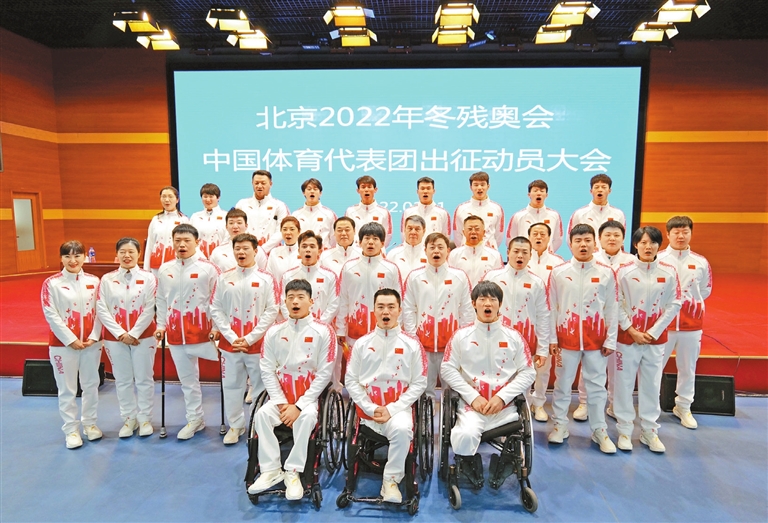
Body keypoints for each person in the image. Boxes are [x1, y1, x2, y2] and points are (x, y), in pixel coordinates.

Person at [248, 279, 336, 499]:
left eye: (300, 297)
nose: (295, 302)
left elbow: (325, 373)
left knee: (306, 418)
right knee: (261, 415)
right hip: (280, 398)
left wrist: (298, 406)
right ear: (284, 302)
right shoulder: (274, 331)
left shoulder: (324, 331)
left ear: (311, 301)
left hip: (307, 400)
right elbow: (267, 369)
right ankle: (271, 470)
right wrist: (281, 403)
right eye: (291, 297)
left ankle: (293, 471)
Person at [440, 281, 536, 466]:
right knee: (465, 436)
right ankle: (467, 464)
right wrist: (472, 396)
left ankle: (507, 460)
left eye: (493, 299)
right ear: (474, 303)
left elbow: (528, 372)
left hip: (505, 408)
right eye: (482, 299)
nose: (487, 304)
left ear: (500, 304)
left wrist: (502, 397)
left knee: (514, 434)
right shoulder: (461, 336)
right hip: (471, 407)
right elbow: (447, 368)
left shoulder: (514, 337)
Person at [345, 288, 427, 504]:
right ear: (373, 310)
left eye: (391, 307)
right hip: (368, 410)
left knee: (402, 430)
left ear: (399, 310)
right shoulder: (361, 344)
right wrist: (370, 408)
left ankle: (390, 481)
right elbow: (351, 380)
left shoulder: (412, 345)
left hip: (398, 410)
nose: (386, 311)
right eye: (380, 307)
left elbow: (419, 382)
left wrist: (392, 409)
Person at [547, 224, 618, 454]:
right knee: (562, 384)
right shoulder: (558, 272)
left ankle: (599, 430)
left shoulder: (606, 273)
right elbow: (551, 307)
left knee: (597, 387)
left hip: (595, 341)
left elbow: (612, 307)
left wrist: (610, 339)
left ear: (595, 243)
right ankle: (560, 425)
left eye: (587, 240)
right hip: (565, 340)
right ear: (570, 244)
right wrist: (552, 338)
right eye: (578, 240)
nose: (583, 244)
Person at [614, 226, 682, 452]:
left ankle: (649, 431)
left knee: (651, 385)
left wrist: (654, 331)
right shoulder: (623, 271)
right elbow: (615, 302)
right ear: (635, 245)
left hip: (655, 340)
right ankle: (624, 430)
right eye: (643, 242)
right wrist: (631, 330)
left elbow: (674, 303)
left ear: (659, 245)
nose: (648, 247)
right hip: (627, 339)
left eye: (652, 243)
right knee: (623, 385)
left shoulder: (669, 272)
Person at [211, 233, 279, 445]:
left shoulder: (266, 279)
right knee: (232, 386)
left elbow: (272, 310)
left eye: (245, 248)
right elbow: (216, 308)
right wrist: (232, 337)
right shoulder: (224, 278)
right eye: (237, 248)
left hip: (258, 346)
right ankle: (236, 426)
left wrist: (250, 338)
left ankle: (258, 426)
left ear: (255, 251)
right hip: (229, 346)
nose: (241, 252)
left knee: (260, 387)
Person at [154, 224, 220, 440]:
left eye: (187, 240)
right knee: (188, 382)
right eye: (177, 240)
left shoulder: (208, 269)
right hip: (175, 335)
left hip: (203, 333)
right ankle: (195, 419)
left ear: (196, 242)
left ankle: (237, 423)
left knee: (227, 382)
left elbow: (217, 300)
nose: (181, 245)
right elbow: (161, 299)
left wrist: (216, 327)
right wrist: (161, 325)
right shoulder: (165, 269)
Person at [41, 240, 103, 449]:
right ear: (61, 258)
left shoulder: (94, 281)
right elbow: (51, 314)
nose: (73, 260)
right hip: (62, 346)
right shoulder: (52, 283)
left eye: (77, 255)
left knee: (91, 385)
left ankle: (90, 424)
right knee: (67, 389)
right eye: (67, 256)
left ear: (85, 257)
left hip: (91, 344)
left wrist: (94, 336)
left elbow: (101, 311)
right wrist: (70, 339)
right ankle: (71, 430)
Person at [482, 237, 550, 421]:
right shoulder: (492, 277)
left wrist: (543, 348)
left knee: (522, 385)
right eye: (516, 251)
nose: (520, 255)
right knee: (496, 381)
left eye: (525, 252)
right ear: (508, 253)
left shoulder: (537, 282)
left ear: (530, 255)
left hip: (525, 343)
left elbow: (544, 316)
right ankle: (494, 420)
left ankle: (520, 421)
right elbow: (479, 309)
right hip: (495, 341)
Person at [573, 219, 635, 421]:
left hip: (624, 324)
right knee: (590, 366)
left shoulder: (631, 261)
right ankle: (584, 402)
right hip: (594, 324)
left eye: (617, 235)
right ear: (599, 239)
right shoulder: (590, 259)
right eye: (607, 235)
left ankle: (614, 404)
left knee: (618, 368)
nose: (612, 239)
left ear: (623, 238)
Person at [96, 238, 157, 438]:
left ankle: (145, 418)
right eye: (122, 252)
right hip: (115, 338)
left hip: (144, 336)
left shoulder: (149, 278)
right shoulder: (107, 279)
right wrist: (121, 334)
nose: (127, 256)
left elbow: (151, 307)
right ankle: (129, 419)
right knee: (122, 380)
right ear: (117, 254)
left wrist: (134, 333)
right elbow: (101, 308)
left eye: (131, 251)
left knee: (144, 378)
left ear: (139, 254)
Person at [402, 232, 473, 398]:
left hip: (451, 345)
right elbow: (408, 308)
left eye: (440, 247)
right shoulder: (415, 277)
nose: (436, 251)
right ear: (425, 250)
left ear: (448, 251)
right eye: (432, 247)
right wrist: (413, 337)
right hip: (423, 343)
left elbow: (467, 310)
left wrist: (463, 338)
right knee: (424, 389)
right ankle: (427, 407)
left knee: (453, 390)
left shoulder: (459, 277)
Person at [658, 216, 713, 430]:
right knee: (654, 367)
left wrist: (689, 306)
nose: (680, 236)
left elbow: (705, 290)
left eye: (685, 232)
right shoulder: (658, 259)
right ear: (668, 234)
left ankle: (683, 406)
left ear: (691, 233)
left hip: (692, 325)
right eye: (676, 232)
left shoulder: (701, 262)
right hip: (663, 325)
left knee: (688, 368)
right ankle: (650, 407)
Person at [337, 222, 402, 347]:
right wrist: (340, 328)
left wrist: (397, 328)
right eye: (367, 238)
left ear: (382, 243)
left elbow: (399, 301)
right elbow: (343, 299)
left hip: (384, 330)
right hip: (355, 332)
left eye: (375, 239)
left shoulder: (391, 269)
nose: (370, 242)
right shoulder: (348, 268)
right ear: (360, 242)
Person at [526, 222, 565, 422]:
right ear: (529, 237)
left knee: (543, 366)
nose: (539, 237)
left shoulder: (558, 263)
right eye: (535, 233)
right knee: (523, 366)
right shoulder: (523, 258)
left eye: (543, 234)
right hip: (525, 320)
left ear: (550, 238)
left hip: (548, 319)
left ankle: (539, 402)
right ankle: (523, 402)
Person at [280, 231, 339, 325]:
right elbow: (283, 303)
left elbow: (333, 305)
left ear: (319, 251)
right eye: (304, 246)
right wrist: (293, 323)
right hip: (294, 327)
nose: (308, 250)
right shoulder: (288, 276)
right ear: (298, 250)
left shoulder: (330, 276)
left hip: (321, 328)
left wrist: (319, 326)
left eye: (312, 246)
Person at [235, 170, 290, 254]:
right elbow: (237, 228)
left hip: (273, 253)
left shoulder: (279, 206)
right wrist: (249, 248)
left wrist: (262, 250)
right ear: (252, 183)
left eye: (263, 183)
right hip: (247, 252)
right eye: (256, 183)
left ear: (270, 184)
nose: (259, 186)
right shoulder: (242, 204)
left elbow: (281, 231)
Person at [506, 180, 564, 253]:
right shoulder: (518, 216)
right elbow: (510, 239)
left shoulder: (554, 215)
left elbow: (558, 239)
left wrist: (546, 253)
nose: (539, 193)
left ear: (546, 195)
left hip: (547, 256)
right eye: (535, 191)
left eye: (542, 191)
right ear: (529, 194)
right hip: (525, 257)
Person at [452, 171, 505, 250]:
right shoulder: (461, 209)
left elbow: (499, 235)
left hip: (490, 252)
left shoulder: (497, 208)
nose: (479, 188)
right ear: (471, 187)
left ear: (488, 186)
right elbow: (458, 235)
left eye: (482, 184)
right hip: (466, 251)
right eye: (476, 185)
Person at [448, 215, 503, 287]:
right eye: (470, 229)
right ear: (463, 232)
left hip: (485, 293)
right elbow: (450, 279)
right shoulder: (454, 254)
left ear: (483, 232)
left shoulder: (495, 255)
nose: (473, 232)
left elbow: (499, 281)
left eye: (477, 229)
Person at [144, 186, 188, 274]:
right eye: (163, 197)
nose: (167, 200)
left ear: (177, 199)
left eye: (170, 196)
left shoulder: (184, 220)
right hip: (156, 266)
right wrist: (146, 269)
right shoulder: (156, 219)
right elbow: (150, 244)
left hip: (176, 266)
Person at [209, 208, 268, 273]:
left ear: (246, 226)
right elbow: (213, 275)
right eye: (231, 223)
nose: (235, 226)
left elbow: (264, 274)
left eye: (239, 223)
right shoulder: (217, 252)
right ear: (226, 227)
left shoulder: (257, 250)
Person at [345, 175, 393, 247]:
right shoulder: (350, 211)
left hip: (377, 250)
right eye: (363, 187)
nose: (366, 190)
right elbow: (348, 232)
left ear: (375, 190)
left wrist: (376, 247)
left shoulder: (384, 212)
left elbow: (387, 235)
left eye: (369, 187)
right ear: (358, 190)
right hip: (355, 250)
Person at [291, 178, 337, 250]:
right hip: (302, 253)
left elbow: (334, 238)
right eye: (309, 189)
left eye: (315, 189)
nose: (312, 191)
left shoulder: (329, 214)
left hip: (323, 254)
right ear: (303, 192)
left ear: (320, 193)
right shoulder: (296, 215)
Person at [189, 183, 228, 258]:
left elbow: (228, 239)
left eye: (211, 196)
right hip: (199, 257)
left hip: (221, 257)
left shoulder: (226, 216)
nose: (208, 200)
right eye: (205, 196)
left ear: (218, 197)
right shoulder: (195, 217)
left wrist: (218, 255)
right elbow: (190, 238)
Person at [266, 217, 302, 286]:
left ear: (299, 231)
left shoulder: (304, 253)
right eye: (284, 229)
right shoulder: (274, 252)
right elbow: (269, 277)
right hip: (279, 292)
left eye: (292, 229)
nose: (288, 232)